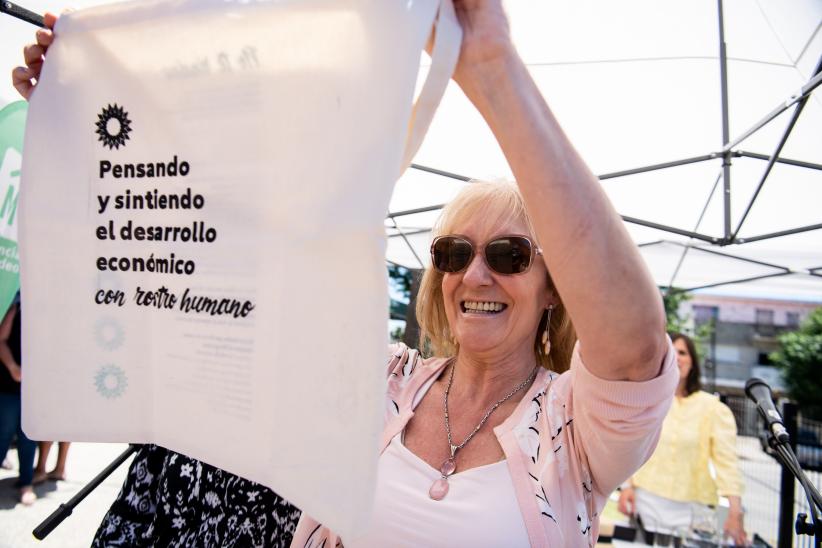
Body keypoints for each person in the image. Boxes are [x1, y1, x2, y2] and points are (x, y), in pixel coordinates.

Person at [14, 1, 678, 544]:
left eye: (507, 256)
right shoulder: (378, 382)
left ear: (552, 290)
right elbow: (227, 259)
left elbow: (634, 349)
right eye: (452, 253)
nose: (475, 276)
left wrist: (491, 66)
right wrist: (89, 108)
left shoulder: (571, 428)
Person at [618, 332, 747, 545]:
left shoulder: (713, 409)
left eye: (683, 352)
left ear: (693, 363)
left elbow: (728, 463)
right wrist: (626, 487)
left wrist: (735, 511)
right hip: (646, 504)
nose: (677, 357)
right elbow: (629, 445)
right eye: (671, 351)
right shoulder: (646, 400)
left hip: (693, 511)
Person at [0, 296, 38, 505]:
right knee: (3, 433)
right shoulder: (17, 305)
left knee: (28, 438)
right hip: (9, 385)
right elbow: (1, 340)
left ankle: (26, 483)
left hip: (32, 389)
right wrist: (13, 367)